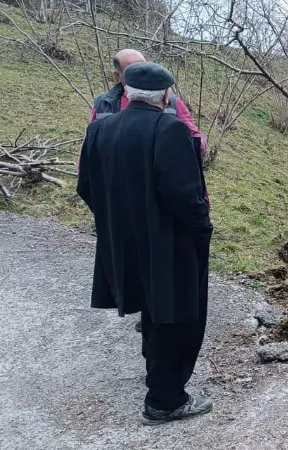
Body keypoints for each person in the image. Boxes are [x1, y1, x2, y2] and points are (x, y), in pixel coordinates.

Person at [76, 61, 214, 425]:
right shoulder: (169, 128)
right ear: (165, 95)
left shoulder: (99, 128)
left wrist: (114, 219)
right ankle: (165, 401)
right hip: (169, 243)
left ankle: (156, 374)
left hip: (121, 239)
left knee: (152, 309)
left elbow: (85, 186)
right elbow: (184, 196)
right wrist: (203, 231)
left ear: (126, 90)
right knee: (177, 316)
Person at [82, 48, 209, 334]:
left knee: (153, 269)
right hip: (129, 207)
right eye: (133, 69)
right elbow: (88, 166)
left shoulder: (171, 106)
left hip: (153, 204)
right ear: (119, 77)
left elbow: (194, 136)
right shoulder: (103, 105)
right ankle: (156, 334)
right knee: (145, 267)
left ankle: (151, 319)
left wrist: (192, 147)